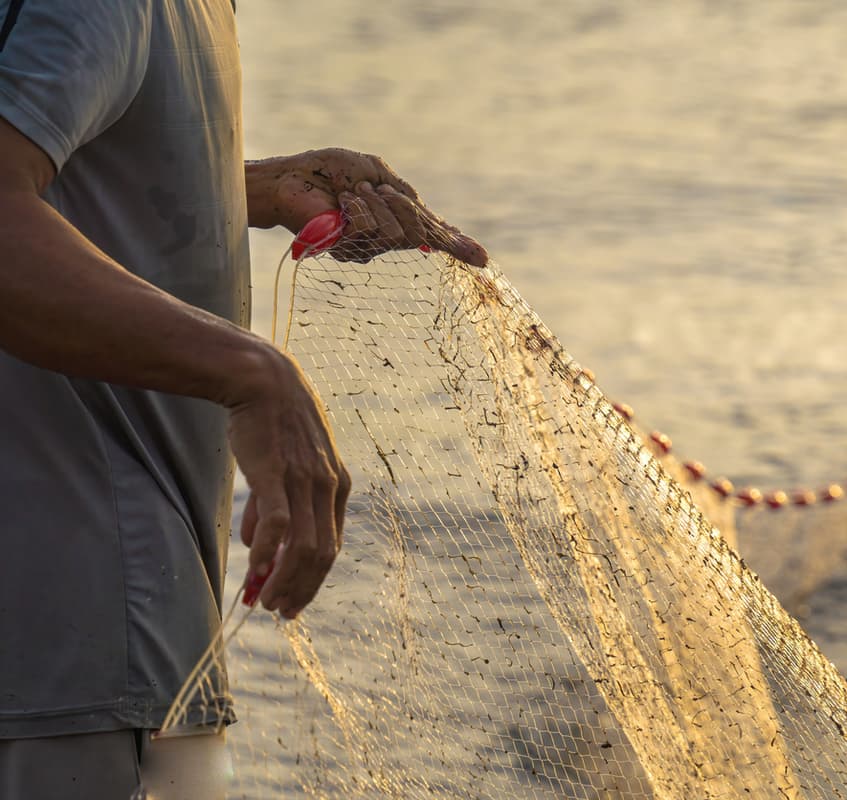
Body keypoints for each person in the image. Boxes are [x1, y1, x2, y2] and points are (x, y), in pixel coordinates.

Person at [0, 1, 486, 797]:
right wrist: (258, 375)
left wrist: (251, 187)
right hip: (61, 648)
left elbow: (63, 168)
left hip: (141, 652)